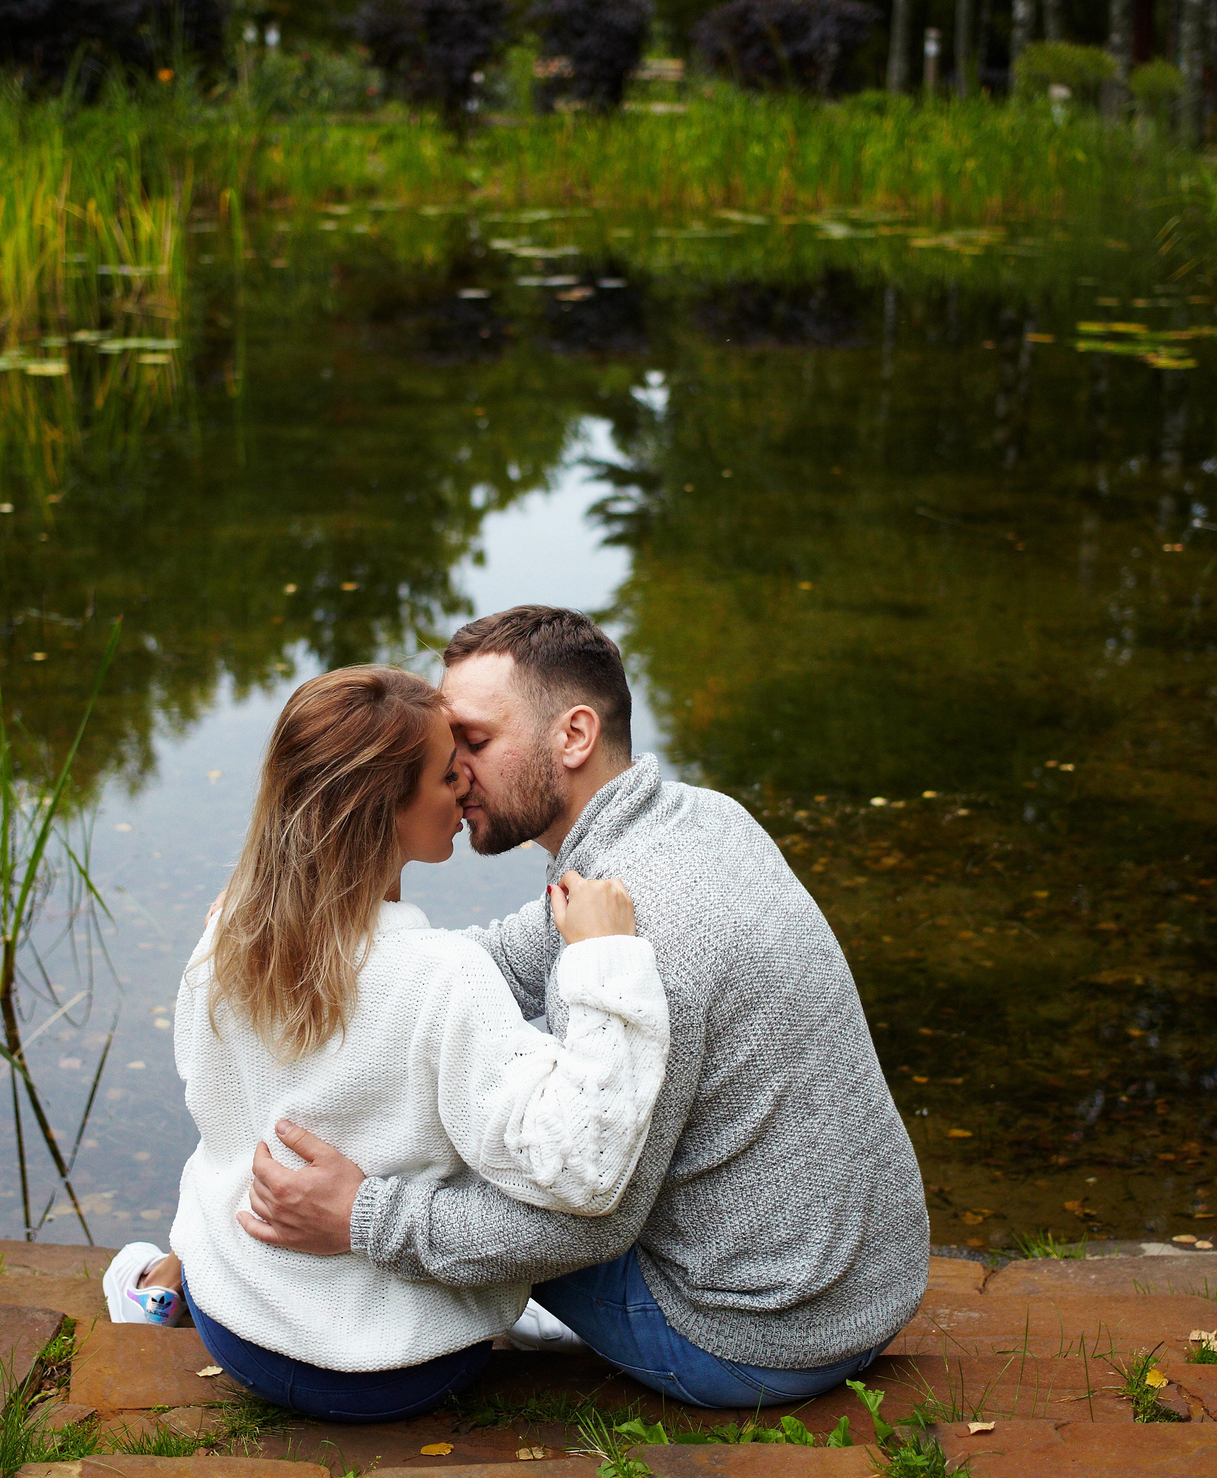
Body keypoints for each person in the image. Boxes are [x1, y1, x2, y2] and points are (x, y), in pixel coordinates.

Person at [238, 607, 930, 1410]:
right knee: (468, 1077)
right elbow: (489, 965)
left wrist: (362, 1215)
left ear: (572, 735)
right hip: (867, 1286)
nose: (453, 772)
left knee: (455, 1143)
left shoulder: (648, 935)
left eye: (475, 741)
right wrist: (317, 953)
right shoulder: (691, 820)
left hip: (756, 1335)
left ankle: (244, 1282)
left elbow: (586, 1221)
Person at [101, 664, 670, 1424]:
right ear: (386, 813)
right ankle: (511, 1314)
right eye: (445, 775)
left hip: (241, 1334)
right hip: (406, 1372)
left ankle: (160, 1288)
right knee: (488, 1133)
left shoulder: (227, 936)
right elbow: (579, 1166)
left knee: (236, 1135)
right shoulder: (446, 979)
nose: (465, 786)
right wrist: (604, 962)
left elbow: (207, 1093)